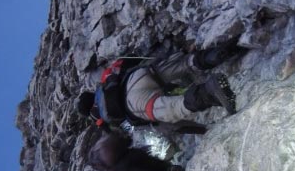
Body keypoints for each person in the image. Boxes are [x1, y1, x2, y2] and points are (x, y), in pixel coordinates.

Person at [76, 47, 241, 134]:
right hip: (137, 77)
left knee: (175, 108)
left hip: (136, 104)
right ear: (91, 94)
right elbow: (128, 61)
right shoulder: (104, 82)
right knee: (185, 64)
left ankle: (209, 91)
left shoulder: (100, 117)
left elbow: (126, 128)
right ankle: (216, 54)